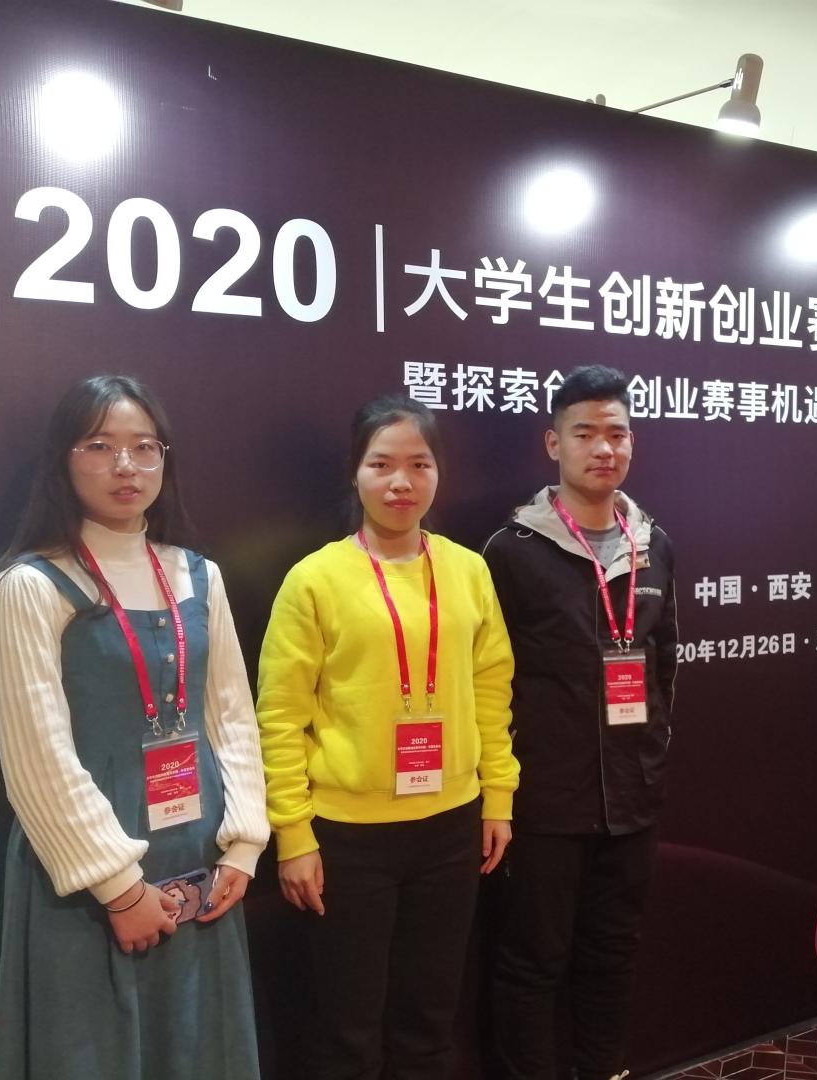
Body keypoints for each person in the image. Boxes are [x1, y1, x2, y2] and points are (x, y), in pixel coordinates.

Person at [0, 374, 268, 1079]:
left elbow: (232, 715)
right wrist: (120, 888)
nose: (125, 466)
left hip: (202, 856)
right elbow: (37, 758)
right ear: (63, 459)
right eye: (99, 446)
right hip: (88, 874)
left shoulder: (199, 575)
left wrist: (243, 847)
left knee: (200, 1046)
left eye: (145, 447)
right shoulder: (31, 585)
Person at [256, 394, 518, 1079]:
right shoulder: (314, 579)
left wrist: (497, 797)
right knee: (346, 1029)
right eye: (382, 464)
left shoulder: (468, 570)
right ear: (355, 472)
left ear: (438, 473)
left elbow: (491, 689)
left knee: (428, 1022)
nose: (401, 482)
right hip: (348, 838)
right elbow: (279, 717)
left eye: (419, 464)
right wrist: (294, 834)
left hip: (451, 828)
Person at [484, 365, 678, 1080]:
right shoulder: (512, 550)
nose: (604, 448)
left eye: (617, 433)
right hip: (545, 800)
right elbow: (489, 681)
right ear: (553, 443)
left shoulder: (655, 544)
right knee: (533, 962)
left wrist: (651, 755)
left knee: (613, 953)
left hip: (632, 797)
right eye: (585, 433)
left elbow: (664, 664)